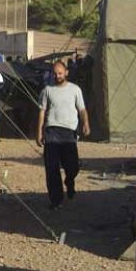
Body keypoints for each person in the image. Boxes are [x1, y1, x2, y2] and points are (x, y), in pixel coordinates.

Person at [37, 60, 90, 210]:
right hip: (52, 131)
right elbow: (42, 111)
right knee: (51, 168)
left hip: (69, 132)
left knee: (72, 166)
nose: (57, 76)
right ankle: (56, 200)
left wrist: (86, 123)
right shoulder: (47, 90)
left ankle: (69, 181)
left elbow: (82, 109)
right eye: (55, 73)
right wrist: (39, 131)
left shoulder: (75, 90)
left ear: (66, 72)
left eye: (60, 73)